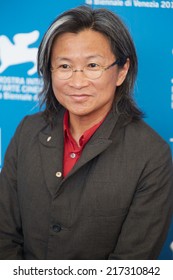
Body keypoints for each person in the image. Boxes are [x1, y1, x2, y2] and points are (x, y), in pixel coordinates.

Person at [0, 5, 172, 260]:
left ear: (121, 71)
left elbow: (130, 265)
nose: (77, 82)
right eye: (65, 66)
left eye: (93, 65)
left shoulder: (151, 154)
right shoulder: (28, 130)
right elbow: (4, 234)